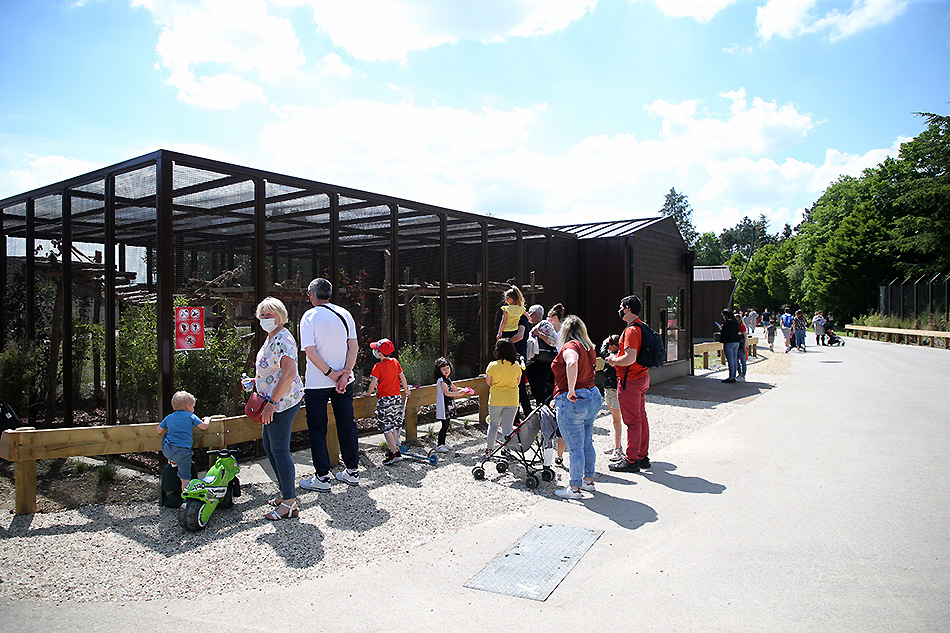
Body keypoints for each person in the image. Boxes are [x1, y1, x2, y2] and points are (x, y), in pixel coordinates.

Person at [242, 297, 304, 520]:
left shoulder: (282, 338)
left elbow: (288, 373)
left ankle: (289, 503)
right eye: (263, 315)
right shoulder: (271, 338)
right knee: (270, 447)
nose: (265, 318)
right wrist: (255, 381)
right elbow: (274, 369)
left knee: (279, 451)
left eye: (270, 314)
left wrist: (272, 403)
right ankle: (285, 493)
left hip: (281, 403)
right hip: (271, 400)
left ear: (280, 316)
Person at [298, 278, 361, 492]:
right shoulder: (345, 314)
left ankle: (322, 476)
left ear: (312, 294)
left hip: (317, 382)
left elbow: (310, 351)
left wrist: (330, 374)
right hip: (344, 380)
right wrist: (344, 374)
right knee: (347, 423)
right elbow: (353, 346)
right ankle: (352, 471)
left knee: (317, 427)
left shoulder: (309, 316)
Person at [551, 315, 603, 499]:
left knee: (575, 447)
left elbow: (571, 362)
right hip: (592, 396)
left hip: (574, 400)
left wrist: (571, 389)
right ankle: (589, 481)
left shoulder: (570, 347)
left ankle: (574, 488)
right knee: (587, 442)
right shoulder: (589, 348)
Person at [607, 295, 652, 473]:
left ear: (627, 308)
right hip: (642, 377)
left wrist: (613, 360)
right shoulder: (642, 326)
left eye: (621, 306)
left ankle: (632, 460)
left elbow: (629, 358)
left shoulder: (631, 331)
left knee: (632, 421)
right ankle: (642, 456)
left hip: (630, 380)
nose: (619, 309)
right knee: (641, 416)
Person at [366, 338, 410, 466]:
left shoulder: (377, 367)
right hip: (397, 398)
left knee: (386, 427)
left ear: (380, 353)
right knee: (394, 424)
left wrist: (368, 393)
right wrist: (406, 390)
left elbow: (373, 384)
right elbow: (403, 378)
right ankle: (393, 450)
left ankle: (395, 453)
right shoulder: (395, 362)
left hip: (385, 400)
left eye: (376, 350)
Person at [156, 391, 211, 492]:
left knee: (166, 436)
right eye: (193, 407)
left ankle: (173, 461)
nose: (193, 409)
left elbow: (158, 430)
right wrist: (207, 419)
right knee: (185, 477)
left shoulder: (169, 417)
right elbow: (204, 427)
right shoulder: (190, 416)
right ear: (187, 406)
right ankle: (186, 498)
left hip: (168, 450)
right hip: (183, 452)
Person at [485, 338, 522, 456]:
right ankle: (507, 450)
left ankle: (489, 450)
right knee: (507, 427)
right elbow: (518, 382)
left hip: (496, 399)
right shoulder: (516, 366)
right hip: (512, 399)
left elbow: (489, 382)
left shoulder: (492, 366)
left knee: (493, 425)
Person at [433, 357, 472, 453]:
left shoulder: (448, 380)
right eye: (443, 369)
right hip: (443, 405)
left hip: (448, 405)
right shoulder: (441, 380)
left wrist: (464, 390)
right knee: (444, 425)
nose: (446, 370)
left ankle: (443, 442)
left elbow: (454, 388)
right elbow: (447, 393)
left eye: (447, 368)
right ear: (439, 371)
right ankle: (439, 445)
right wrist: (458, 394)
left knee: (447, 424)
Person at [525, 304, 559, 409]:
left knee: (538, 390)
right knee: (537, 390)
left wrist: (539, 334)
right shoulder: (535, 326)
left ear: (534, 314)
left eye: (530, 313)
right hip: (535, 363)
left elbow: (554, 341)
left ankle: (548, 411)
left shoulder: (544, 324)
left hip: (542, 363)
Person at [600, 334, 623, 461]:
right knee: (614, 421)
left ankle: (618, 448)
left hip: (615, 390)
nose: (607, 348)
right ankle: (616, 444)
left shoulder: (616, 357)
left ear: (614, 346)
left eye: (609, 345)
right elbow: (602, 351)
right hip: (608, 389)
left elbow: (604, 353)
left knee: (616, 420)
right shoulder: (611, 355)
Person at [718, 309, 742, 384]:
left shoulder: (728, 322)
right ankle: (734, 376)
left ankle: (731, 377)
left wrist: (721, 329)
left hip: (729, 342)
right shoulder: (735, 322)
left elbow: (725, 332)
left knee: (730, 360)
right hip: (736, 342)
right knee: (735, 360)